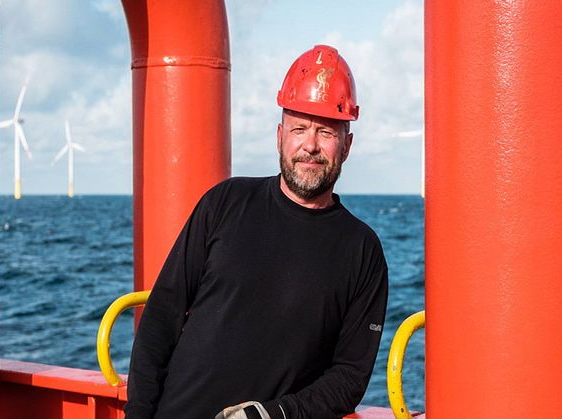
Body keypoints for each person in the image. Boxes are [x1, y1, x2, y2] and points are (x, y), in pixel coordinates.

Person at [125, 45, 388, 419]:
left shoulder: (362, 251)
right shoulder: (225, 202)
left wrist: (275, 414)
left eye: (326, 132)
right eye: (299, 128)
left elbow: (349, 376)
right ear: (280, 135)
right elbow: (161, 317)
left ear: (346, 146)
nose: (310, 145)